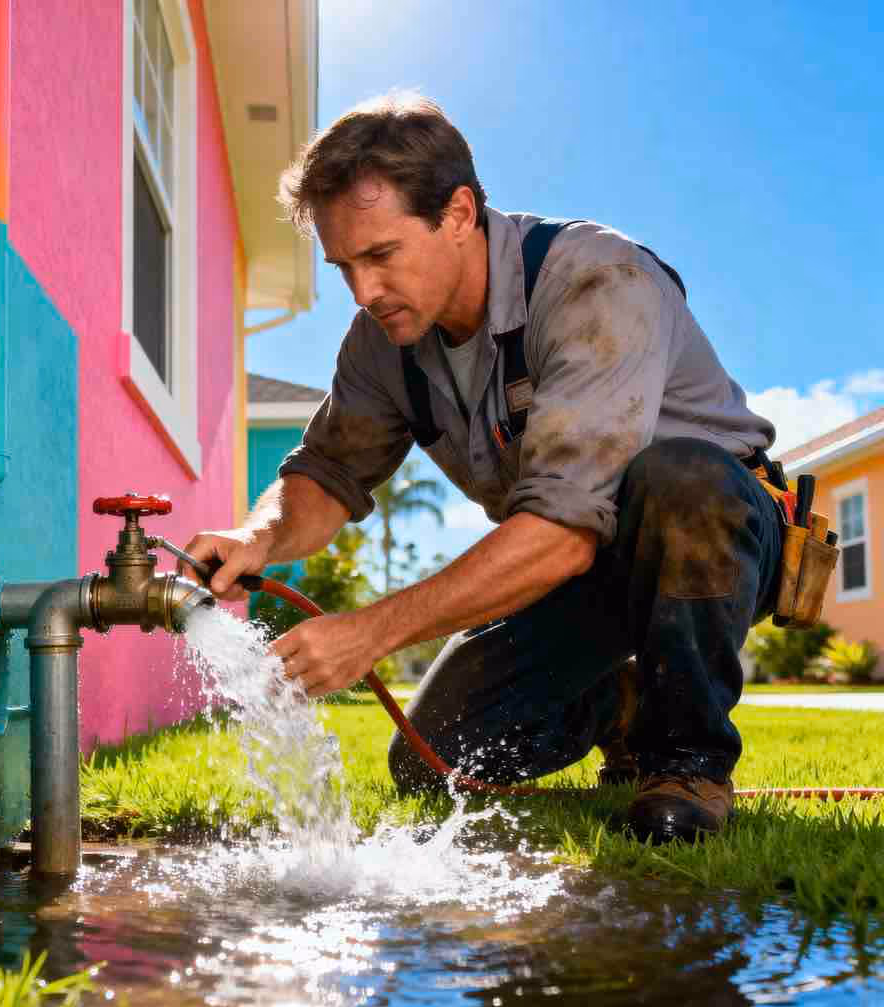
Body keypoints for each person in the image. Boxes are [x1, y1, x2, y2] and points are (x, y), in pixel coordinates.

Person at [183, 92, 782, 843]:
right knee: (432, 761)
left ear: (459, 213)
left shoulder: (597, 281)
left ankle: (685, 762)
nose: (364, 292)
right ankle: (623, 699)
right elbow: (328, 472)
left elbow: (563, 530)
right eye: (344, 267)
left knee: (679, 481)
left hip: (716, 541)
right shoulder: (383, 341)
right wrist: (258, 536)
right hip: (580, 568)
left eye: (381, 255)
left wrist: (369, 631)